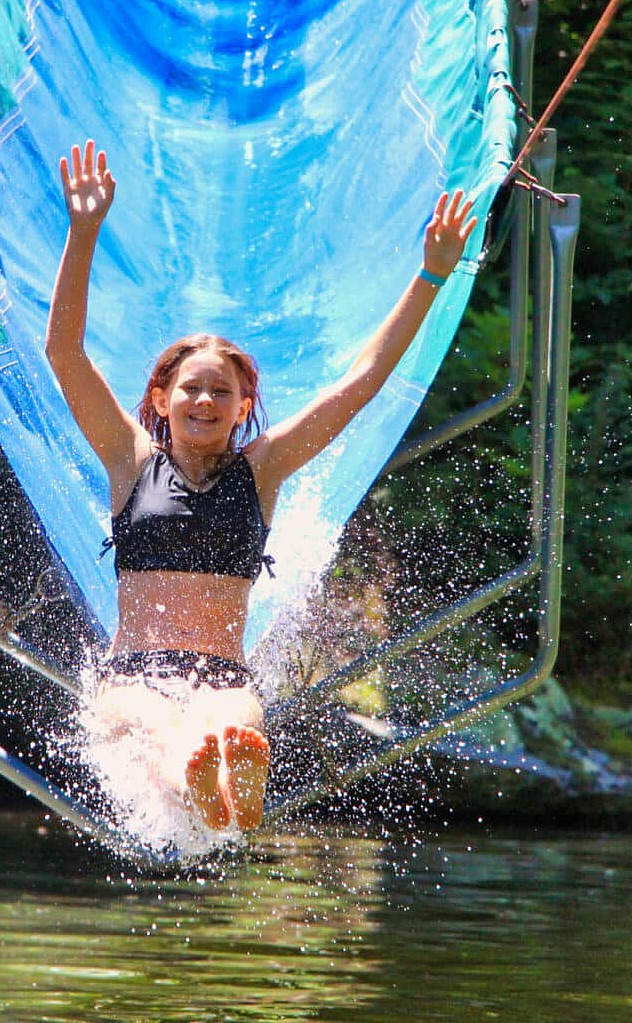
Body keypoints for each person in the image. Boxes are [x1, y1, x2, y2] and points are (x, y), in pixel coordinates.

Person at [45, 140, 476, 833]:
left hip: (222, 673)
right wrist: (84, 230)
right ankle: (202, 781)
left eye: (223, 391)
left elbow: (360, 385)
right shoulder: (129, 460)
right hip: (135, 674)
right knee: (161, 731)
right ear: (161, 399)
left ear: (245, 406)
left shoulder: (263, 469)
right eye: (192, 389)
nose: (205, 402)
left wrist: (430, 277)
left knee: (235, 724)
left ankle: (228, 787)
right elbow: (64, 354)